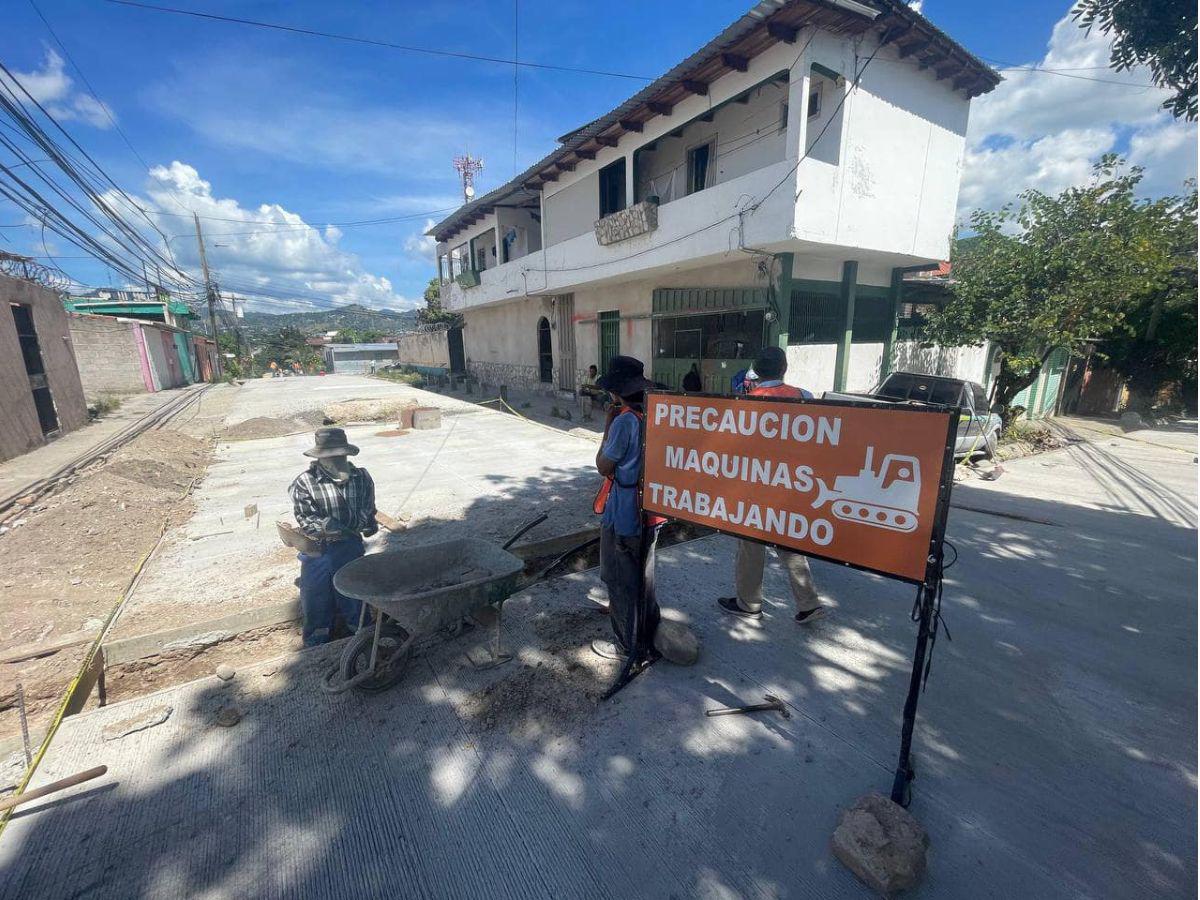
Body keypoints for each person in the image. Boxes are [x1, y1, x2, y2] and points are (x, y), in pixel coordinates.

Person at [716, 346, 825, 624]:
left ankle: (748, 604)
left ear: (757, 372)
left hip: (756, 485)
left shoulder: (746, 402)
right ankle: (808, 602)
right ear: (784, 368)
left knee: (751, 545)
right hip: (792, 484)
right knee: (789, 541)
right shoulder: (804, 397)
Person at [592, 356, 663, 660]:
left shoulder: (623, 422)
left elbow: (603, 465)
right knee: (644, 577)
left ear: (617, 392)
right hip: (652, 510)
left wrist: (607, 425)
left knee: (620, 579)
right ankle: (648, 633)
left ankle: (626, 645)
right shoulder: (656, 416)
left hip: (625, 512)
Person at [289, 427, 378, 646]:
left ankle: (360, 633)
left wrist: (366, 523)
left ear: (346, 454)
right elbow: (305, 517)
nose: (335, 461)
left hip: (350, 546)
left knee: (354, 592)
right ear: (319, 458)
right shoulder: (305, 483)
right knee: (316, 595)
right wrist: (326, 526)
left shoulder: (361, 477)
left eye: (340, 456)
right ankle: (318, 640)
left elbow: (368, 507)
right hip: (318, 549)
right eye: (330, 457)